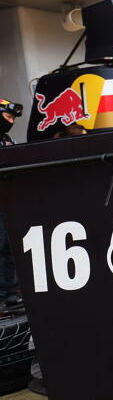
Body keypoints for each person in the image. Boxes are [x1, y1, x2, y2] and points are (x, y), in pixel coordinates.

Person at [0, 99, 22, 298]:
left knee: (8, 246)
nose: (11, 121)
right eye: (7, 117)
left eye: (12, 118)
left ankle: (9, 292)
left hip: (7, 199)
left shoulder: (6, 139)